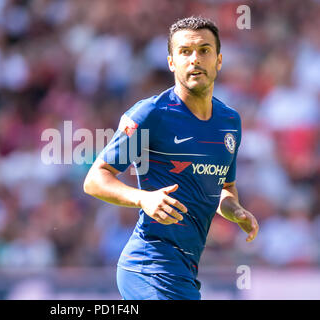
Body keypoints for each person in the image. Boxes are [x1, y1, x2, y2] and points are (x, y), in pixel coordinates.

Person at [83, 16, 259, 300]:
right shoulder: (150, 114)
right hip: (150, 265)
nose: (195, 59)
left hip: (185, 269)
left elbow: (224, 188)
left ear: (219, 60)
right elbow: (94, 179)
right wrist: (143, 198)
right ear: (171, 62)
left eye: (204, 50)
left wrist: (236, 211)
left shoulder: (230, 122)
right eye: (185, 52)